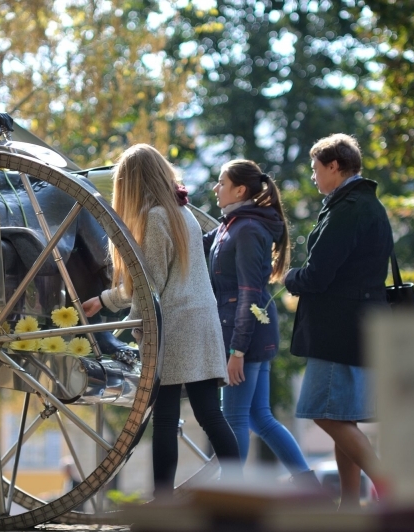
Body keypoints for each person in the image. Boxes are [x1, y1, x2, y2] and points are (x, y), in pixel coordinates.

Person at [82, 144, 240, 496]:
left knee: (166, 420)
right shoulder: (181, 212)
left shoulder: (155, 217)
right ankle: (236, 492)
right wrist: (111, 302)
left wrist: (111, 309)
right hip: (201, 323)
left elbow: (147, 284)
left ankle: (163, 504)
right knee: (210, 416)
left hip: (175, 327)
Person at [284, 133, 392, 509]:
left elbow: (317, 275)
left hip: (338, 328)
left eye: (316, 168)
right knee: (343, 416)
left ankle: (387, 483)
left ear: (334, 166)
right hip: (358, 325)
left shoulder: (348, 209)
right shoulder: (366, 204)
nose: (313, 176)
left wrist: (286, 276)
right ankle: (350, 507)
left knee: (322, 413)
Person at [205, 159, 321, 490]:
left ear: (239, 189)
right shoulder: (232, 225)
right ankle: (308, 484)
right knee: (259, 417)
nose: (216, 188)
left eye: (221, 182)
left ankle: (233, 493)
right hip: (251, 333)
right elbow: (200, 243)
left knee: (236, 418)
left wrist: (237, 350)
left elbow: (249, 293)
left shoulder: (247, 230)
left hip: (245, 337)